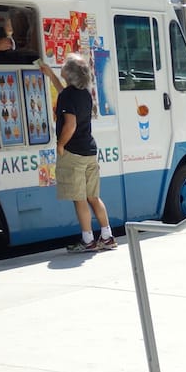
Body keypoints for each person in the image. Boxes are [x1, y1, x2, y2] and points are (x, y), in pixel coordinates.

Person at [38, 53, 114, 253]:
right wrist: (51, 75)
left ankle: (88, 240)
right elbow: (64, 93)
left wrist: (60, 144)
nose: (61, 67)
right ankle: (107, 237)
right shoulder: (84, 93)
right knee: (93, 197)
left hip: (74, 153)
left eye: (64, 66)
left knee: (79, 198)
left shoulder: (67, 96)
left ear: (69, 73)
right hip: (89, 151)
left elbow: (70, 125)